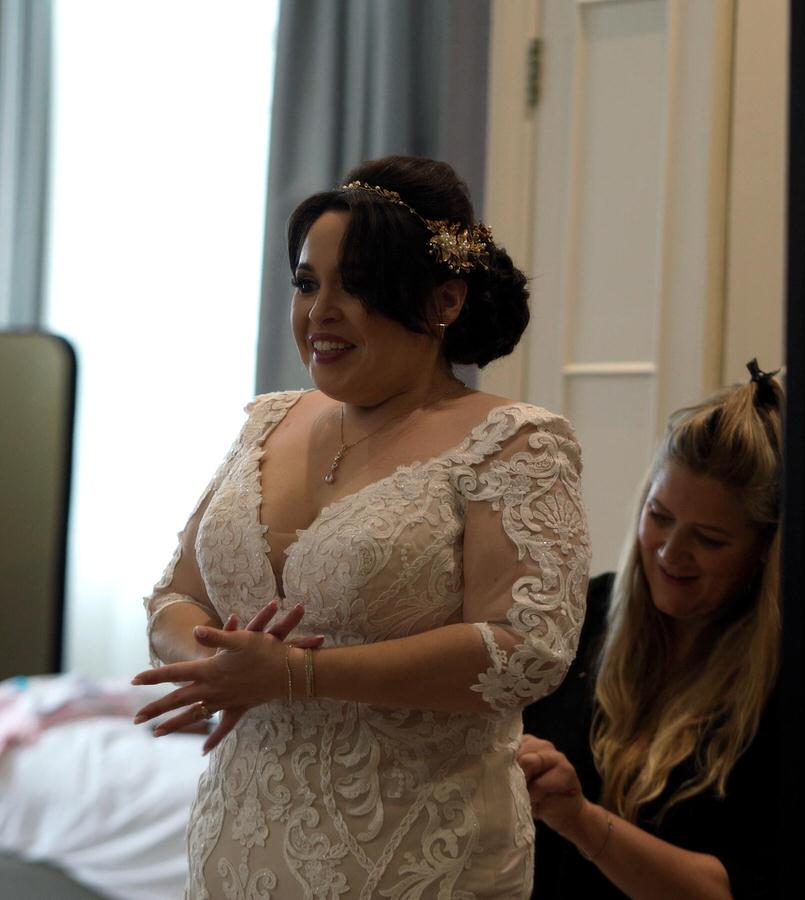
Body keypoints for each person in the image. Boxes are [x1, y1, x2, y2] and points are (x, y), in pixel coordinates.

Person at [130, 156, 590, 899]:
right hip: (239, 841)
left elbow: (525, 650)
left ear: (444, 301)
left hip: (414, 853)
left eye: (359, 286)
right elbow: (173, 596)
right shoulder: (266, 422)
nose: (321, 313)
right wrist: (217, 665)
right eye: (308, 284)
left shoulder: (513, 442)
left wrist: (299, 675)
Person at [520, 363, 785, 898]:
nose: (670, 553)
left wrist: (582, 822)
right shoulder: (582, 614)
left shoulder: (781, 686)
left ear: (763, 552)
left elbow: (735, 888)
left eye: (709, 540)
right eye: (659, 516)